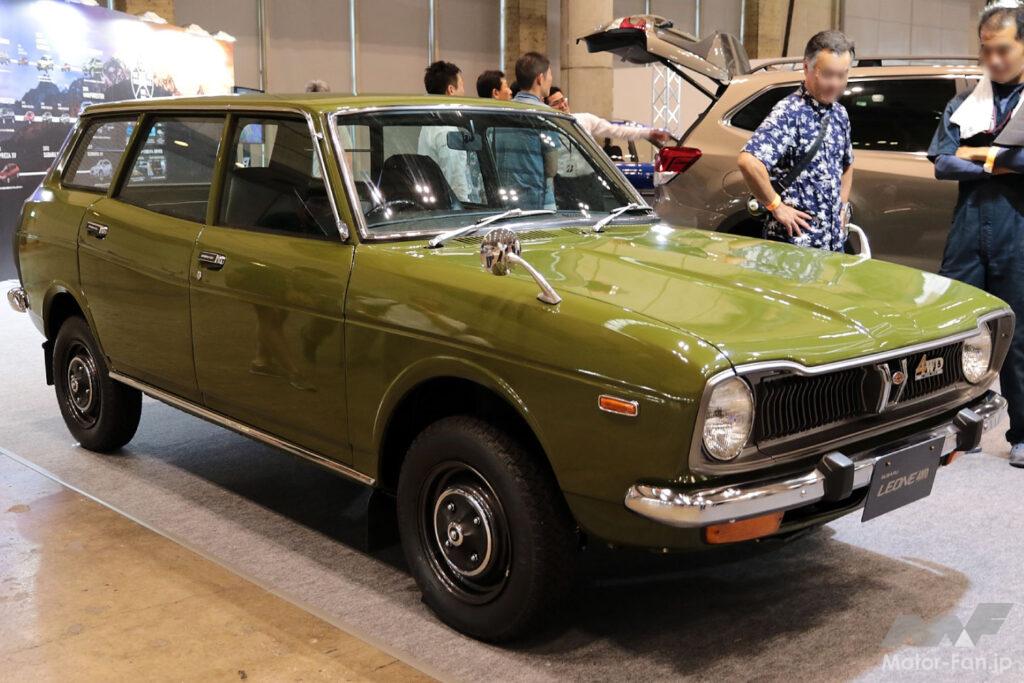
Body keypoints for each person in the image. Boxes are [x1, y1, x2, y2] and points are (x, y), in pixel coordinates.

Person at [928, 4, 1024, 468]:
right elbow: (943, 163)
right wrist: (1003, 160)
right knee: (956, 330)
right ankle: (951, 429)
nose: (993, 59)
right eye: (986, 50)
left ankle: (1022, 434)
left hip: (1017, 229)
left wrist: (980, 154)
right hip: (968, 229)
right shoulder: (965, 103)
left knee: (1019, 336)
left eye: (1003, 49)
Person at [737, 30, 855, 251]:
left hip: (832, 246)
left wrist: (842, 206)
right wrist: (776, 206)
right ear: (806, 67)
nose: (835, 83)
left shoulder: (839, 114)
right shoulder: (789, 112)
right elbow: (748, 161)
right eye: (827, 74)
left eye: (842, 75)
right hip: (795, 247)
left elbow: (847, 164)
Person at [490, 52, 556, 208]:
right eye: (550, 75)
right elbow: (552, 168)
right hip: (536, 203)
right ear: (540, 78)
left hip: (504, 200)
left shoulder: (501, 112)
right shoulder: (545, 114)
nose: (551, 79)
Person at [418, 60, 481, 203]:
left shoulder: (429, 124)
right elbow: (456, 182)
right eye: (462, 86)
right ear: (451, 90)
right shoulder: (447, 132)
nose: (464, 92)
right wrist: (464, 207)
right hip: (453, 207)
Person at [546, 86, 671, 145]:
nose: (563, 105)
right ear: (547, 107)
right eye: (556, 103)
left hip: (589, 177)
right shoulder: (547, 130)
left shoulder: (584, 119)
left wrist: (648, 133)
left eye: (563, 100)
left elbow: (616, 131)